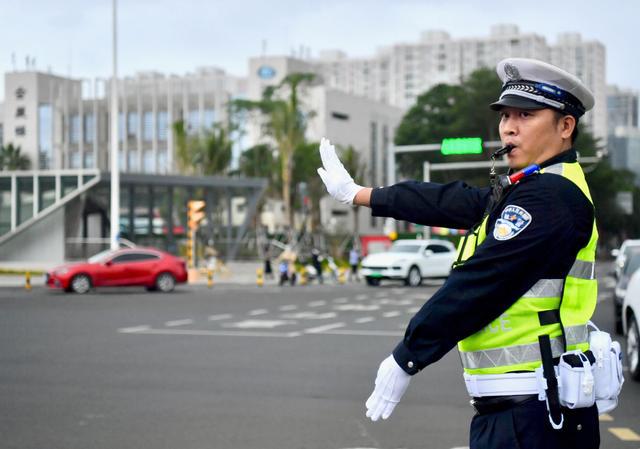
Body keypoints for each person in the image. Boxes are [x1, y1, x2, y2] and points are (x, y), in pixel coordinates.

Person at [317, 58, 601, 449]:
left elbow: (483, 280)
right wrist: (360, 194)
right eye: (505, 115)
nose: (508, 127)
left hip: (532, 415)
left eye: (526, 115)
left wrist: (409, 355)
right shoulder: (538, 186)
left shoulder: (551, 196)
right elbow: (454, 201)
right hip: (523, 409)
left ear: (565, 126)